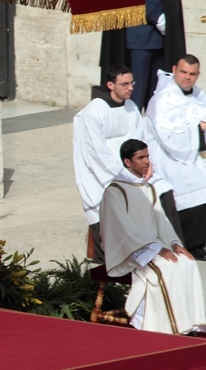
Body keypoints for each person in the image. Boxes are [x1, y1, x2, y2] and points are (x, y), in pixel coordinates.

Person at [72, 64, 182, 264]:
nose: (130, 88)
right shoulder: (94, 112)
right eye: (124, 84)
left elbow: (141, 141)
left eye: (132, 83)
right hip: (102, 175)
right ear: (110, 85)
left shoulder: (130, 107)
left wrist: (146, 165)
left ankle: (169, 243)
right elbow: (96, 153)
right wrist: (125, 175)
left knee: (163, 188)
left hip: (131, 169)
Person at [100, 139, 205, 334]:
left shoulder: (148, 188)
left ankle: (193, 324)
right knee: (166, 268)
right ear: (127, 162)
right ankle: (170, 328)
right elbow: (121, 229)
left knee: (187, 263)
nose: (147, 161)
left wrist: (174, 243)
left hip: (154, 245)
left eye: (147, 156)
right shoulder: (115, 191)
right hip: (130, 250)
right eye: (141, 158)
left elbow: (161, 221)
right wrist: (155, 249)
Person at [145, 54, 206, 259]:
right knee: (195, 182)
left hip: (191, 152)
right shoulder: (163, 99)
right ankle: (192, 242)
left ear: (197, 75)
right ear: (174, 70)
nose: (187, 77)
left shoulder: (196, 94)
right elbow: (168, 138)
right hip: (167, 156)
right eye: (183, 72)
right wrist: (199, 130)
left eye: (192, 74)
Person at [98, 0, 186, 111]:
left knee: (158, 100)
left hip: (161, 41)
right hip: (141, 37)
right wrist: (156, 16)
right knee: (135, 98)